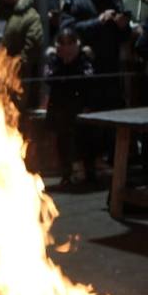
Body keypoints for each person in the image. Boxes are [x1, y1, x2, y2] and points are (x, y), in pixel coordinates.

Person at [41, 27, 96, 184]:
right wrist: (62, 66)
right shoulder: (54, 60)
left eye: (70, 44)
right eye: (62, 44)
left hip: (80, 105)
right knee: (63, 141)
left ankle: (89, 172)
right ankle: (66, 173)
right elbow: (49, 77)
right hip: (60, 107)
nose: (66, 48)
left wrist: (71, 70)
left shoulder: (83, 59)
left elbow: (88, 77)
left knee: (86, 139)